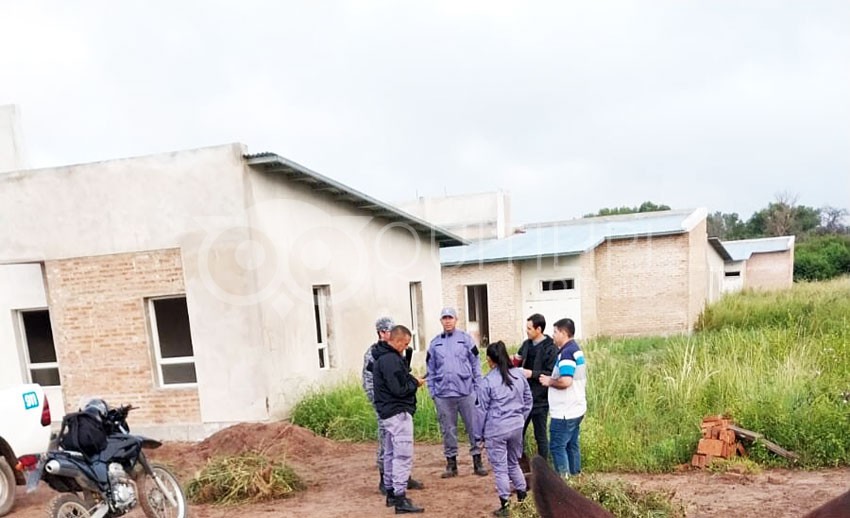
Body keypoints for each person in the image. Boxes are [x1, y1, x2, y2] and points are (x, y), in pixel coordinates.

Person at [362, 317, 423, 495]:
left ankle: (401, 478)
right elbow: (370, 383)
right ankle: (386, 480)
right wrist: (382, 405)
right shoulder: (374, 354)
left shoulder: (395, 352)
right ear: (382, 333)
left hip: (397, 404)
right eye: (391, 331)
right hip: (387, 406)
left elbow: (399, 376)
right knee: (388, 444)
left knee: (399, 446)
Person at [426, 307, 488, 478]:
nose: (447, 321)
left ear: (456, 319)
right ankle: (451, 464)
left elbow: (476, 364)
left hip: (466, 392)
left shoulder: (466, 340)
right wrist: (433, 393)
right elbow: (430, 370)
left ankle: (477, 462)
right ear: (441, 321)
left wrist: (478, 389)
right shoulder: (435, 343)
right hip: (444, 394)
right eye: (444, 318)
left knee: (474, 427)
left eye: (450, 318)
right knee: (448, 429)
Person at [475, 341, 533, 517]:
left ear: (490, 360)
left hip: (496, 429)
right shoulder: (518, 375)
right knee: (513, 463)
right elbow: (528, 400)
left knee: (500, 469)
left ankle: (505, 506)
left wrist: (479, 436)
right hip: (516, 426)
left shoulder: (488, 381)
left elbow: (481, 411)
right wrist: (519, 419)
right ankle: (523, 500)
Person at [372, 325, 426, 514]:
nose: (405, 347)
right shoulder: (391, 361)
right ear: (395, 340)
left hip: (387, 413)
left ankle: (390, 492)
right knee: (402, 456)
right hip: (398, 413)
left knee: (390, 453)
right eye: (405, 343)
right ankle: (400, 498)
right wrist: (415, 382)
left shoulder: (381, 358)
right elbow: (399, 388)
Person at [539, 318, 587, 478]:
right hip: (576, 408)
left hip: (565, 411)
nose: (552, 335)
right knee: (571, 445)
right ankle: (576, 479)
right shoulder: (575, 350)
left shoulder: (566, 353)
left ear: (564, 333)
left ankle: (564, 484)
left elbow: (566, 381)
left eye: (555, 332)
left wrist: (549, 381)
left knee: (557, 447)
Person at [514, 313, 558, 464]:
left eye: (529, 328)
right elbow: (517, 360)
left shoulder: (550, 348)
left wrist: (531, 374)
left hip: (540, 400)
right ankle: (520, 465)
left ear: (539, 329)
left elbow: (552, 373)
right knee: (518, 433)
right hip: (523, 398)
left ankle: (543, 467)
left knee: (541, 436)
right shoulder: (526, 344)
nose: (526, 331)